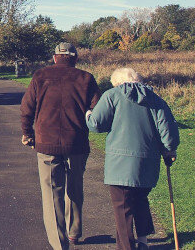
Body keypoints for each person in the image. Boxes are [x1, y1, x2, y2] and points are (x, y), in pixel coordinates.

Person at [86, 67, 179, 250]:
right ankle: (143, 242)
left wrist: (88, 114)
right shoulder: (155, 99)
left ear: (117, 82)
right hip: (147, 163)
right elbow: (168, 133)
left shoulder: (112, 95)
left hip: (119, 165)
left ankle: (127, 247)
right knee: (140, 200)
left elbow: (96, 125)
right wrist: (169, 151)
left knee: (123, 209)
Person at [20, 42, 101, 250]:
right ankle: (74, 232)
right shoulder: (86, 78)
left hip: (46, 144)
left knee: (51, 195)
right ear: (75, 58)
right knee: (75, 188)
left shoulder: (40, 76)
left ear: (55, 57)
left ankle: (59, 244)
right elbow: (97, 110)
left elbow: (26, 108)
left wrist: (27, 134)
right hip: (77, 143)